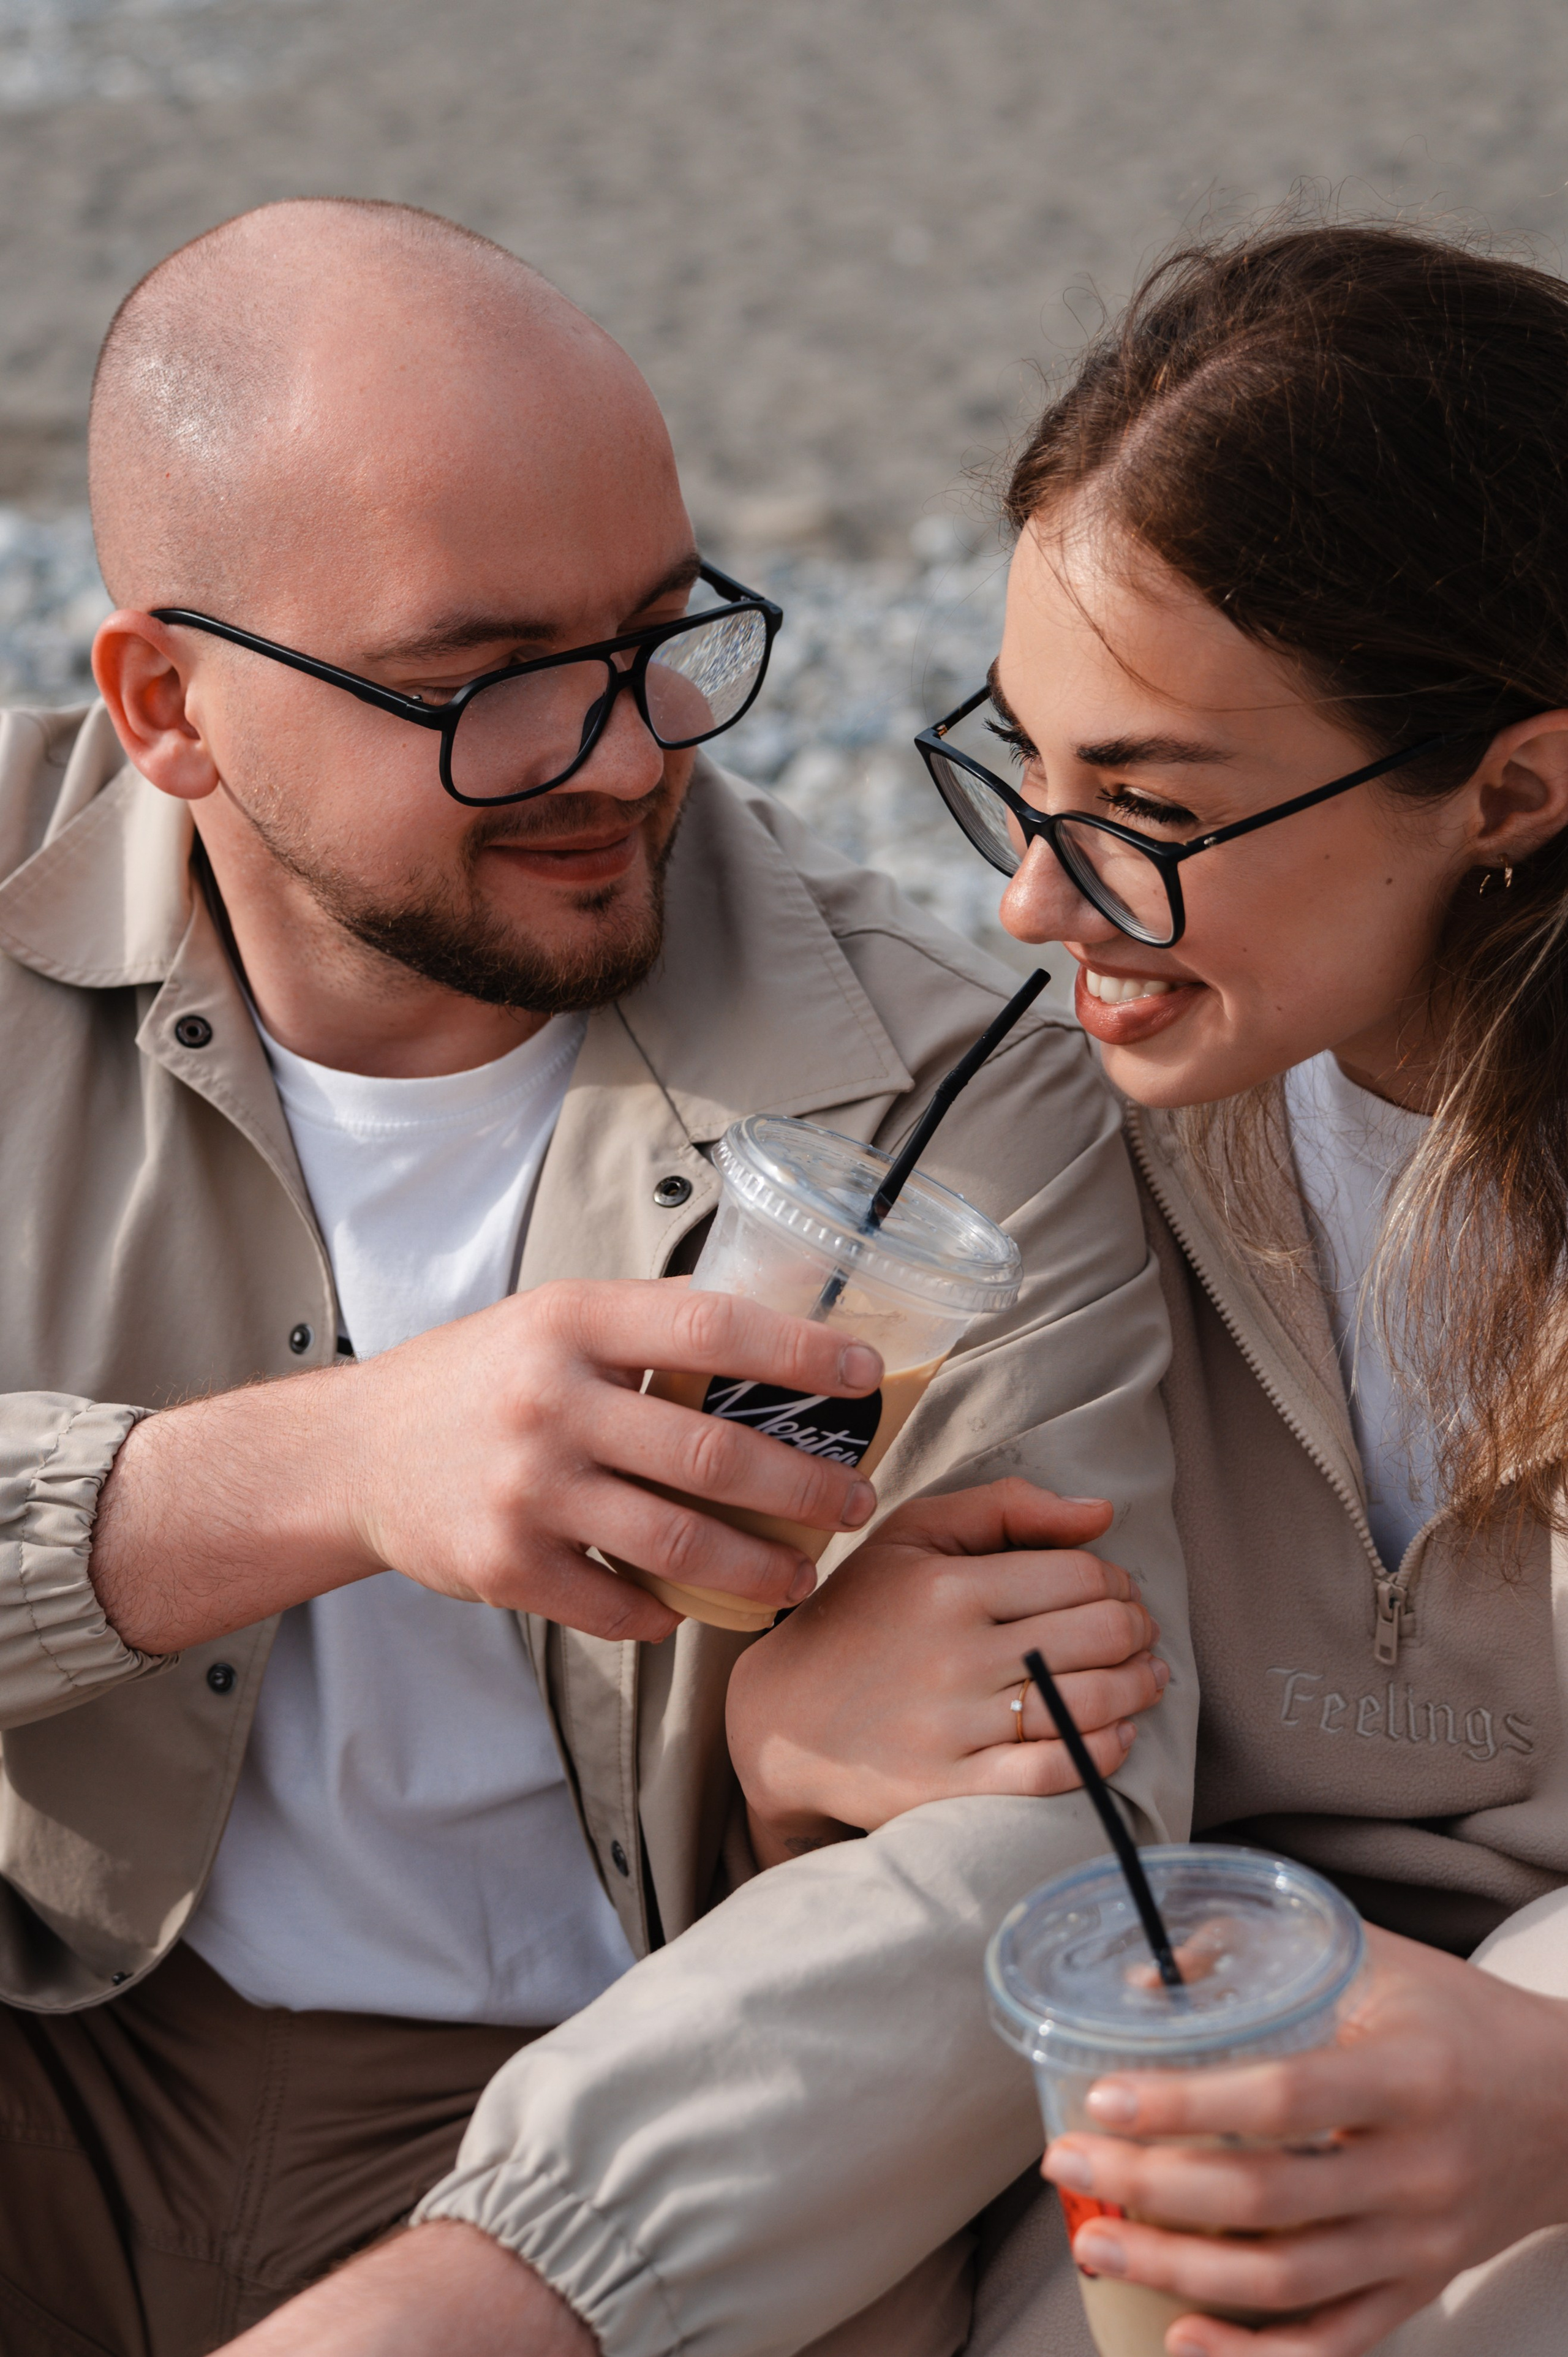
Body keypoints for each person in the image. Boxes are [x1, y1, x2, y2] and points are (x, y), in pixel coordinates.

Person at [0, 197, 1195, 2357]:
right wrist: (331, 1468)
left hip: (605, 2112)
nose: (631, 751)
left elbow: (1037, 1860)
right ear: (167, 705)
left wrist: (505, 2286)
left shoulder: (944, 1089)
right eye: (483, 688)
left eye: (661, 631)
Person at [809, 216, 1568, 2356]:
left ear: (1514, 785)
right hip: (1186, 1998)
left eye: (1144, 803)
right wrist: (771, 1733)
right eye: (1018, 764)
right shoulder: (1049, 1117)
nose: (1040, 894)